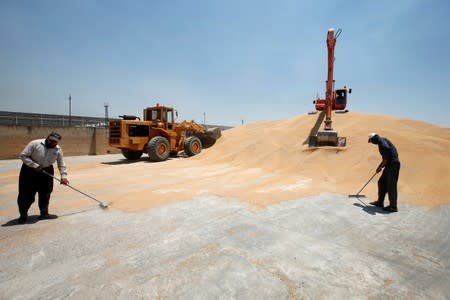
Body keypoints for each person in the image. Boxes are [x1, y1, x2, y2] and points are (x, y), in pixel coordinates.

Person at [17, 132, 69, 224]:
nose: (53, 143)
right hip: (29, 171)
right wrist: (34, 165)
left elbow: (61, 164)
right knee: (26, 194)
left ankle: (44, 213)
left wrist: (63, 176)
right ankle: (23, 215)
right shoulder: (35, 144)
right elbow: (23, 155)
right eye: (51, 141)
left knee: (46, 192)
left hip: (47, 170)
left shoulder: (58, 149)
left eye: (55, 142)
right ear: (47, 138)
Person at [367, 132, 400, 212]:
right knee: (381, 182)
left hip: (392, 165)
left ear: (374, 139)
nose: (372, 143)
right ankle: (380, 202)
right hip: (389, 165)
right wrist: (381, 166)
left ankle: (393, 206)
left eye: (371, 141)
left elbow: (385, 160)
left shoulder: (382, 145)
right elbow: (385, 160)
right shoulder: (382, 140)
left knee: (391, 186)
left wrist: (380, 167)